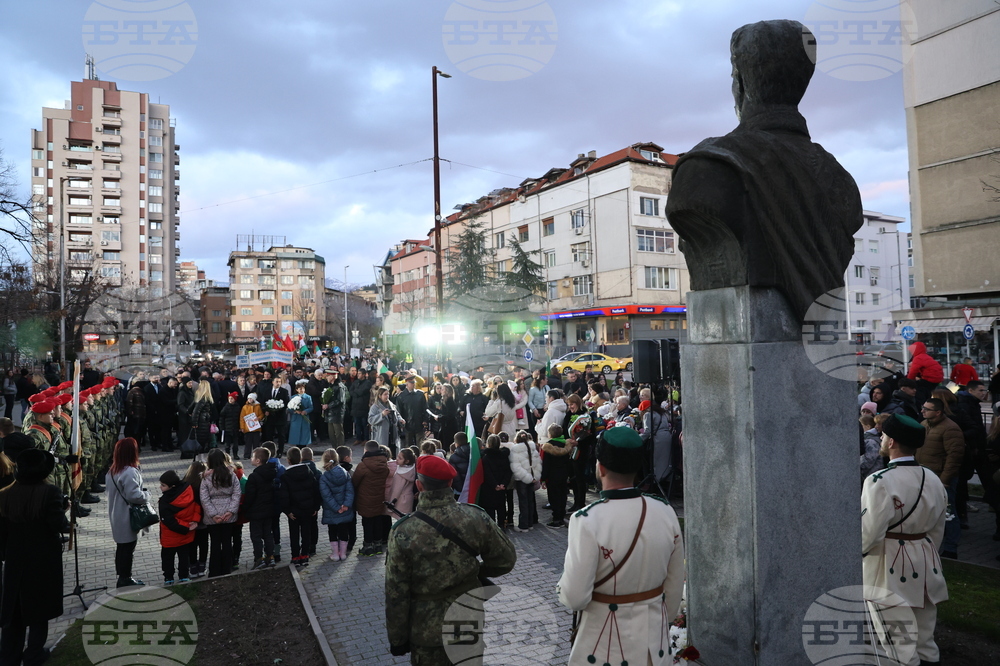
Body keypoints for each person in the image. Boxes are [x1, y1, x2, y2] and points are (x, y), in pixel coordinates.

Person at [557, 426, 685, 666]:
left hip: (604, 648)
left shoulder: (586, 520)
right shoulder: (666, 511)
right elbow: (675, 585)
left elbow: (574, 598)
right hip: (653, 647)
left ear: (601, 467)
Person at [385, 455, 516, 663]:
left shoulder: (403, 531)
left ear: (419, 485)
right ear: (451, 483)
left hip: (426, 630)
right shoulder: (475, 516)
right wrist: (473, 571)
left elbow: (396, 591)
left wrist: (397, 638)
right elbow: (505, 561)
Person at [861, 414, 948, 665]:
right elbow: (937, 530)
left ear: (892, 442)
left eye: (884, 435)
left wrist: (859, 555)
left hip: (889, 565)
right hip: (926, 561)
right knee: (925, 641)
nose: (881, 438)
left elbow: (869, 533)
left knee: (898, 642)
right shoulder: (933, 478)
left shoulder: (879, 480)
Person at [0, 449, 69, 666]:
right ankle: (34, 652)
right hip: (42, 560)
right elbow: (59, 525)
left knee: (14, 611)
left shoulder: (4, 494)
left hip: (15, 561)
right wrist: (65, 511)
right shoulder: (50, 492)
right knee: (40, 609)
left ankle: (9, 656)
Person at [917, 398, 965, 560]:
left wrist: (945, 479)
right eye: (923, 408)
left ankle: (951, 548)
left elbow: (954, 457)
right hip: (925, 475)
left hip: (941, 478)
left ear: (938, 412)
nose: (922, 411)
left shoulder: (950, 428)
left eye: (927, 409)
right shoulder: (924, 424)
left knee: (948, 513)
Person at [106, 437, 151, 588]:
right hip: (127, 516)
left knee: (122, 548)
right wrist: (147, 495)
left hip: (116, 514)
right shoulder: (130, 472)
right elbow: (134, 496)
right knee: (128, 549)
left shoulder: (112, 471)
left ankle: (122, 576)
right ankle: (125, 578)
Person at [200, 449, 241, 578]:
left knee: (215, 543)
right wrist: (230, 511)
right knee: (227, 542)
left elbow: (204, 498)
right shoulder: (231, 475)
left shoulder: (206, 478)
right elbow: (237, 494)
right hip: (228, 514)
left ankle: (214, 570)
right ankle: (227, 568)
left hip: (212, 517)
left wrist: (213, 514)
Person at [157, 469, 201, 585]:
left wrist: (185, 527)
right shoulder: (189, 491)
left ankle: (169, 578)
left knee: (167, 558)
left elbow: (168, 521)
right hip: (186, 534)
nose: (160, 487)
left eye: (163, 485)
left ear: (172, 486)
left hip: (169, 536)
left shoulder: (164, 501)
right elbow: (196, 507)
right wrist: (194, 522)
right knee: (184, 556)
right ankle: (184, 576)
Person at [279, 447, 320, 567]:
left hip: (294, 511)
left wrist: (287, 511)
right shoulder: (308, 472)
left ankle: (295, 556)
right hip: (308, 509)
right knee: (306, 532)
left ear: (288, 460)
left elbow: (284, 496)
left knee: (294, 534)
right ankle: (305, 555)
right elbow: (315, 490)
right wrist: (316, 507)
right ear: (301, 458)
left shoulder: (285, 476)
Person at [352, 440, 390, 557]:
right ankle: (378, 544)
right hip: (379, 498)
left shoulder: (363, 466)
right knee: (378, 520)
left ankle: (367, 546)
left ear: (366, 450)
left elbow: (355, 482)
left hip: (365, 499)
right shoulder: (384, 464)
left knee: (367, 522)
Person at [243, 446, 278, 570]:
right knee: (268, 534)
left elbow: (250, 496)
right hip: (269, 510)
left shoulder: (254, 476)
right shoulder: (271, 473)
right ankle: (270, 556)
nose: (251, 459)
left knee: (256, 536)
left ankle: (259, 558)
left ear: (258, 460)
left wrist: (245, 508)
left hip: (256, 511)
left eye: (252, 457)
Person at [320, 448, 355, 562]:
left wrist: (336, 508)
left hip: (331, 510)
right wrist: (346, 505)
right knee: (344, 530)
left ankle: (335, 554)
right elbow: (350, 491)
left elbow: (326, 495)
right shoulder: (345, 473)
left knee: (333, 531)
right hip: (345, 509)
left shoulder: (324, 477)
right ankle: (343, 554)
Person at [541, 424, 575, 527]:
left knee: (554, 498)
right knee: (562, 496)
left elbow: (546, 464)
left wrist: (543, 479)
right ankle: (561, 516)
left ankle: (556, 519)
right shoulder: (566, 445)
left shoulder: (548, 447)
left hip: (552, 476)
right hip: (563, 475)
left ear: (550, 434)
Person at [509, 430, 541, 532]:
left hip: (521, 479)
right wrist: (534, 477)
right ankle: (530, 523)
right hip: (531, 478)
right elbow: (538, 463)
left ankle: (523, 525)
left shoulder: (515, 450)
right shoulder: (533, 448)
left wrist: (526, 477)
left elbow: (516, 467)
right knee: (530, 501)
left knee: (523, 502)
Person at [479, 434, 512, 525]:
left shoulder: (485, 457)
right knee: (501, 507)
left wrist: (495, 485)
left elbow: (487, 473)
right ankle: (502, 525)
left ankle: (492, 527)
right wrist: (503, 484)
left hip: (489, 487)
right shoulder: (504, 456)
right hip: (502, 487)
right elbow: (508, 472)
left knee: (490, 509)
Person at [368, 387, 403, 458]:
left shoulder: (391, 405)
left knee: (393, 452)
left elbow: (397, 414)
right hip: (381, 434)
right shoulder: (375, 407)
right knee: (383, 453)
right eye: (385, 394)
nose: (387, 396)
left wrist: (400, 419)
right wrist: (382, 415)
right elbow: (370, 420)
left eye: (388, 394)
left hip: (393, 433)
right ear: (379, 396)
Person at [906, 341, 944, 406]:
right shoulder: (927, 357)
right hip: (936, 380)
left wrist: (909, 382)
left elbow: (913, 372)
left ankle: (921, 406)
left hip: (929, 379)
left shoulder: (918, 358)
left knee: (918, 391)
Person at [396, 377, 428, 451]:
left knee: (421, 445)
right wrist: (401, 424)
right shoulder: (401, 396)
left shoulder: (420, 394)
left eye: (414, 382)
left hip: (419, 423)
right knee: (408, 446)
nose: (413, 384)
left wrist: (425, 420)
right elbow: (399, 411)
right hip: (407, 424)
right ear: (407, 384)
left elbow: (425, 408)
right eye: (411, 383)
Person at [386, 448, 416, 518]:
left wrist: (391, 503)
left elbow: (396, 490)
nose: (397, 459)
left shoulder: (401, 473)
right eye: (397, 456)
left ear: (407, 461)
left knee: (399, 519)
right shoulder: (411, 469)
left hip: (400, 500)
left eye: (400, 458)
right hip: (408, 498)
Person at [262, 378, 289, 456]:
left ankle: (280, 451)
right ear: (273, 382)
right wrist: (266, 410)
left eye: (280, 382)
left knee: (281, 435)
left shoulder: (284, 391)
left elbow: (286, 402)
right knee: (269, 435)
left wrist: (278, 408)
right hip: (270, 417)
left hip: (280, 417)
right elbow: (263, 402)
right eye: (277, 381)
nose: (278, 383)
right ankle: (270, 451)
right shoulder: (267, 391)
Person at [189, 381, 218, 453]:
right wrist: (194, 423)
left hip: (202, 422)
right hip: (202, 422)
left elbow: (190, 409)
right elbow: (196, 412)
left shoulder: (199, 398)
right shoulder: (203, 399)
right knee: (201, 442)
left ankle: (200, 457)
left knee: (202, 442)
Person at [322, 371, 348, 449]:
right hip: (330, 413)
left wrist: (328, 405)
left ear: (333, 377)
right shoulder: (331, 386)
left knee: (338, 433)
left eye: (328, 376)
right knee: (331, 433)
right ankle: (334, 449)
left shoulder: (340, 386)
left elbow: (340, 400)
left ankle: (340, 449)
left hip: (337, 413)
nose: (326, 378)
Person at [287, 380, 314, 448]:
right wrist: (295, 411)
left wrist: (305, 411)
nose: (302, 390)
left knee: (304, 434)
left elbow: (311, 407)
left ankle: (304, 447)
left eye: (303, 388)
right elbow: (289, 408)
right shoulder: (293, 397)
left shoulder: (308, 397)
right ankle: (297, 447)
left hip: (304, 418)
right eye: (300, 389)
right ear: (297, 390)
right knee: (296, 434)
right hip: (296, 418)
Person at [349, 369, 373, 442]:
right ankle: (358, 438)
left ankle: (365, 439)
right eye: (358, 373)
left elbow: (362, 392)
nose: (358, 375)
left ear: (363, 375)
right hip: (355, 407)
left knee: (364, 424)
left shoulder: (368, 383)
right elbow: (350, 391)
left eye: (359, 373)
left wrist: (355, 391)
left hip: (363, 407)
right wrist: (356, 392)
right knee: (357, 424)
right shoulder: (355, 382)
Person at [239, 393, 264, 460]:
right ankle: (247, 455)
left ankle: (257, 456)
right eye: (248, 398)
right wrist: (242, 427)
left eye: (251, 398)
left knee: (256, 443)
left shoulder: (258, 406)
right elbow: (242, 418)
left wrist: (259, 418)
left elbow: (261, 414)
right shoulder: (244, 407)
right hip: (248, 429)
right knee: (248, 443)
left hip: (256, 428)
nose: (249, 400)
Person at [219, 392, 241, 460]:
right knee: (227, 444)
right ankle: (227, 456)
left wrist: (240, 427)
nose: (230, 400)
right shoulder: (226, 407)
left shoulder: (237, 407)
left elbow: (240, 418)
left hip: (235, 428)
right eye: (229, 398)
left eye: (232, 398)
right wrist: (222, 427)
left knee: (235, 444)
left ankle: (235, 454)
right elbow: (221, 418)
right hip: (227, 428)